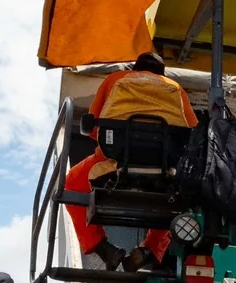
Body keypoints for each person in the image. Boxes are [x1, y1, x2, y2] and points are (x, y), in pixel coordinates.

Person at [62, 52, 197, 271]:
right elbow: (190, 133)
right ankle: (149, 251)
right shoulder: (175, 88)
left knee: (70, 183)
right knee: (178, 200)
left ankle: (104, 248)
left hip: (114, 162)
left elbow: (95, 130)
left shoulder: (115, 80)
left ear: (134, 68)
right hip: (164, 167)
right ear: (163, 73)